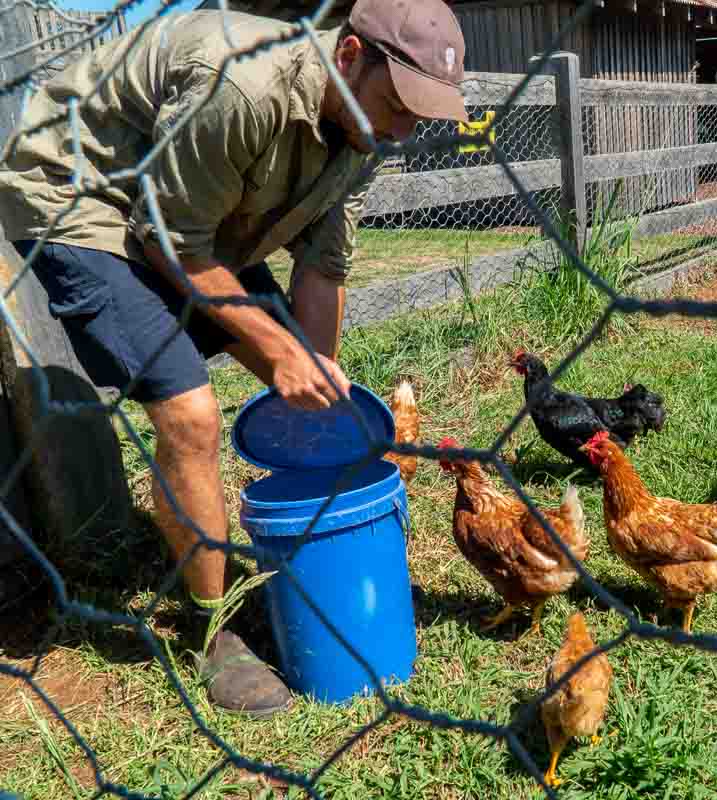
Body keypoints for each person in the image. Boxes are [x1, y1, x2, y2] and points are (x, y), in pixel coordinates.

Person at [0, 0, 468, 717]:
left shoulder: (362, 132)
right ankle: (210, 630)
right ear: (348, 58)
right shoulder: (243, 86)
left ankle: (309, 539)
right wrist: (279, 351)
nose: (402, 129)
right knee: (190, 414)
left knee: (314, 387)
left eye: (419, 116)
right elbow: (166, 238)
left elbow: (323, 267)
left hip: (189, 219)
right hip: (83, 198)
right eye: (396, 105)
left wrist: (317, 387)